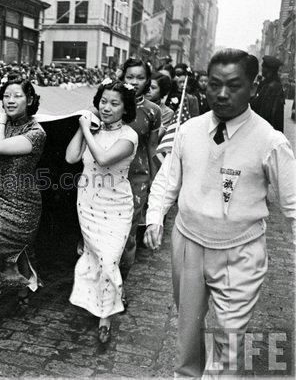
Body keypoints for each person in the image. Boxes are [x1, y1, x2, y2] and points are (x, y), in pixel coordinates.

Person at [144, 49, 296, 377]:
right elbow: (168, 179)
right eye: (214, 84)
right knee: (187, 329)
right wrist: (155, 216)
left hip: (241, 250)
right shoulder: (188, 131)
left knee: (229, 337)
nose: (222, 94)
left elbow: (293, 205)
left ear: (252, 88)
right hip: (188, 243)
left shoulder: (271, 142)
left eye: (234, 85)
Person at [0, 75, 46, 331]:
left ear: (31, 99)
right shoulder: (1, 126)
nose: (10, 100)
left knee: (20, 250)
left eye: (17, 96)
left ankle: (23, 287)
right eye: (6, 96)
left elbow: (0, 147)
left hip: (24, 202)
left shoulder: (37, 132)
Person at [65, 79, 138, 344]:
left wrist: (86, 129)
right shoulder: (92, 130)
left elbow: (104, 158)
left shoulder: (129, 136)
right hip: (88, 203)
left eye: (114, 103)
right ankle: (98, 307)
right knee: (94, 258)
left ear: (125, 108)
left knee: (109, 259)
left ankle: (105, 318)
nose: (107, 108)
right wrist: (82, 128)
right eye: (103, 101)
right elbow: (71, 158)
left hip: (116, 206)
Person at [119, 59, 161, 298]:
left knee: (128, 235)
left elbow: (152, 149)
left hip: (137, 179)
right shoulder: (110, 104)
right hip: (107, 178)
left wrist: (154, 184)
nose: (134, 82)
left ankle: (120, 285)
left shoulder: (153, 111)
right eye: (130, 77)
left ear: (147, 80)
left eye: (140, 77)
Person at [250, 55, 285, 132]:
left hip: (267, 129)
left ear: (270, 70)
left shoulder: (271, 87)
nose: (262, 69)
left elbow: (264, 110)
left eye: (263, 67)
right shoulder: (268, 84)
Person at [146, 72, 175, 136]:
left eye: (153, 88)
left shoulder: (167, 112)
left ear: (162, 90)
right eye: (146, 86)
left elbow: (156, 135)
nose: (148, 90)